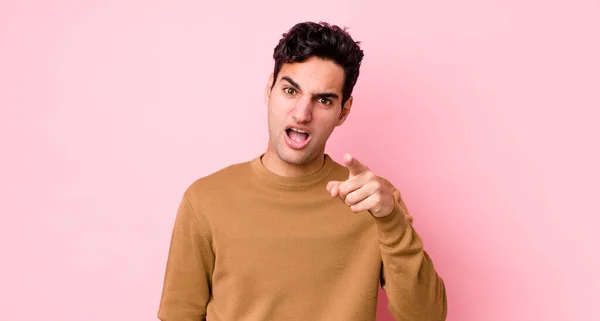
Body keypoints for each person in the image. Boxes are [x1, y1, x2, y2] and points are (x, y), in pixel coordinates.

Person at [157, 21, 447, 321]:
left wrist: (391, 222)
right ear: (269, 89)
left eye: (323, 100)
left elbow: (427, 317)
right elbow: (179, 315)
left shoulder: (373, 201)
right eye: (290, 91)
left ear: (343, 111)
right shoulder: (205, 200)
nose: (302, 113)